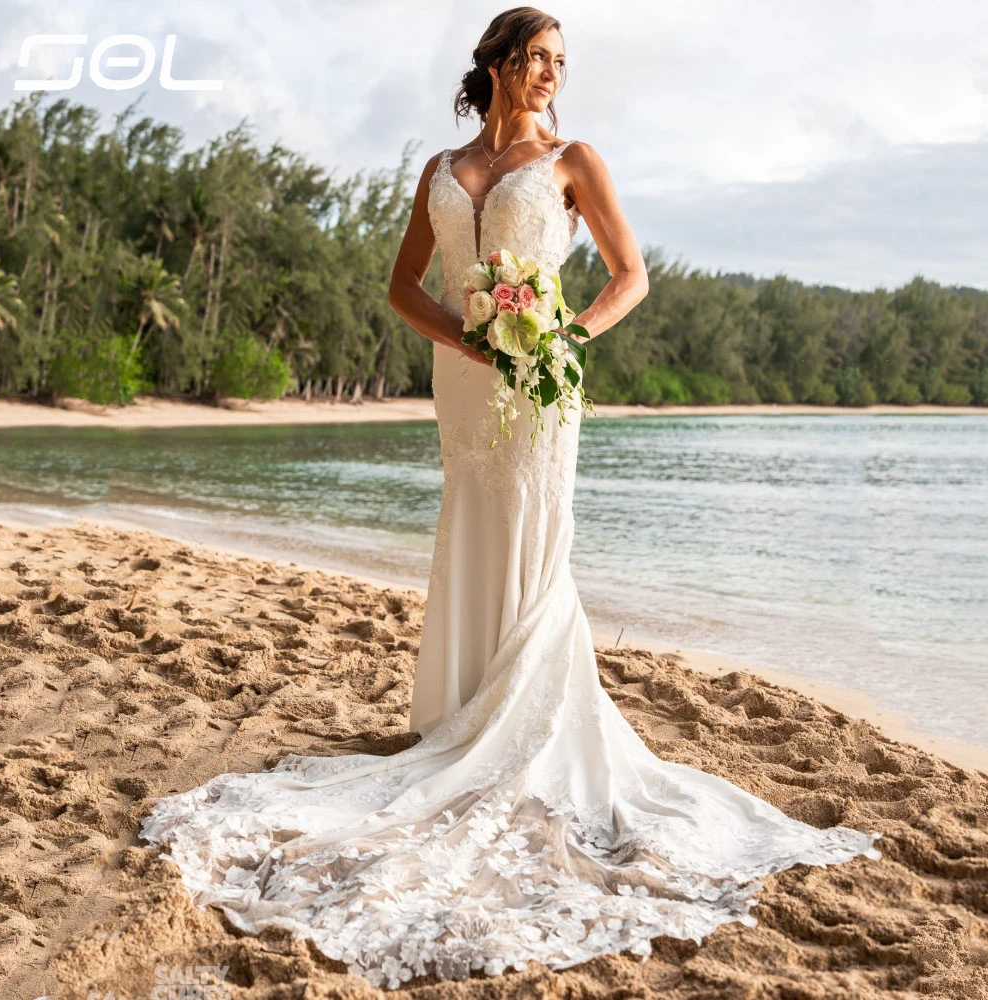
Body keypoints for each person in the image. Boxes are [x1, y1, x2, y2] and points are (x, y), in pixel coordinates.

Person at [139, 7, 882, 989]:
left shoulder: (574, 159)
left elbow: (630, 276)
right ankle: (460, 713)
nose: (550, 75)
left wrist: (563, 335)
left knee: (535, 538)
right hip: (464, 377)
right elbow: (404, 287)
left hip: (543, 385)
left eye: (560, 63)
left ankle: (520, 723)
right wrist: (464, 335)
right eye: (535, 58)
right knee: (474, 525)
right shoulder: (439, 173)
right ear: (493, 64)